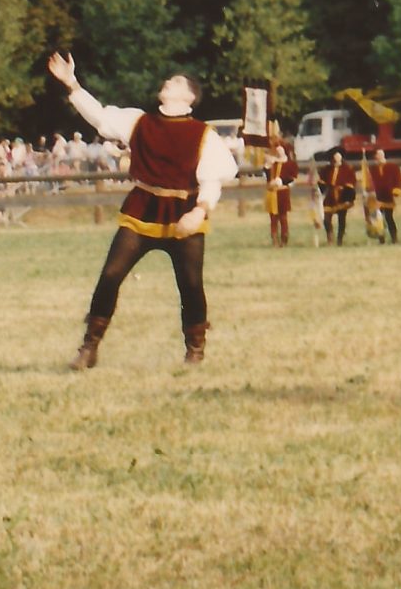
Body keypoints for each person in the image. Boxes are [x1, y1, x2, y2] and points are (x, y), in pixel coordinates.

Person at [44, 52, 239, 369]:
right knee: (110, 275)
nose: (167, 82)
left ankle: (195, 350)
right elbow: (100, 116)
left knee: (190, 284)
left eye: (175, 81)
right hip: (141, 209)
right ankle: (89, 348)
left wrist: (200, 210)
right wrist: (72, 84)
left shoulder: (203, 135)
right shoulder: (139, 121)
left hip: (184, 215)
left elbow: (214, 177)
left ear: (189, 96)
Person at [320, 151, 356, 245]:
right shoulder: (327, 169)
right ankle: (330, 237)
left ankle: (340, 239)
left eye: (338, 158)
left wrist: (349, 197)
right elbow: (322, 182)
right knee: (326, 218)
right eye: (334, 158)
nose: (336, 160)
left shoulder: (347, 169)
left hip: (342, 196)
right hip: (330, 196)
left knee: (342, 219)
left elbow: (352, 183)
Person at [265, 146, 298, 247]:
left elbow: (292, 180)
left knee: (283, 217)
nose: (279, 152)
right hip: (272, 193)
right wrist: (267, 167)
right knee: (273, 218)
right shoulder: (272, 163)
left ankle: (284, 239)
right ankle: (274, 240)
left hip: (283, 193)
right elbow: (267, 177)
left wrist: (280, 181)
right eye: (277, 151)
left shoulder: (290, 164)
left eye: (281, 150)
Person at [366, 150, 401, 243]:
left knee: (389, 217)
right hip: (376, 197)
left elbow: (397, 180)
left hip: (388, 197)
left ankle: (394, 237)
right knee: (378, 219)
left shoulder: (392, 167)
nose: (379, 156)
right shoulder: (372, 169)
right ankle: (381, 237)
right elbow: (369, 183)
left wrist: (396, 191)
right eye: (377, 154)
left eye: (381, 154)